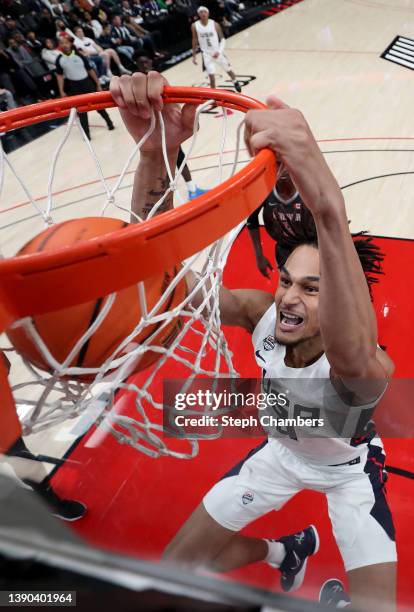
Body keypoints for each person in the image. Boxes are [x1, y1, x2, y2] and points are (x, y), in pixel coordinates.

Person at [109, 71, 397, 612]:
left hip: (347, 472)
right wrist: (156, 157)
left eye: (313, 289)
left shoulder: (367, 366)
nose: (289, 297)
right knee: (174, 571)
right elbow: (164, 287)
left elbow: (350, 349)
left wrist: (329, 208)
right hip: (279, 454)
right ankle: (283, 552)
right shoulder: (261, 311)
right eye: (287, 280)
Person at [136, 54, 208, 200]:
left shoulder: (157, 79)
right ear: (137, 64)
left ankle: (191, 188)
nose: (145, 64)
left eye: (147, 60)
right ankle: (165, 195)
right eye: (142, 62)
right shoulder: (138, 84)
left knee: (178, 158)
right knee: (162, 165)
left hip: (167, 129)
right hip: (153, 130)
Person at [247, 170, 306, 277]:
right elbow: (251, 221)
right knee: (290, 288)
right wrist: (259, 256)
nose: (283, 169)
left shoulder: (308, 188)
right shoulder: (263, 190)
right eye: (278, 164)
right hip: (284, 251)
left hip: (312, 247)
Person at [55, 37, 114, 140]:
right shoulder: (59, 59)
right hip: (74, 87)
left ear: (70, 43)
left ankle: (109, 122)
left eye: (66, 43)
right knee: (81, 112)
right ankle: (87, 135)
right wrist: (61, 91)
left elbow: (90, 70)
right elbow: (59, 76)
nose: (64, 45)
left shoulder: (79, 55)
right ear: (60, 45)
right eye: (62, 43)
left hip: (87, 83)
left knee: (98, 106)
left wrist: (98, 83)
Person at [192, 6, 241, 91]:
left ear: (208, 13)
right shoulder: (195, 26)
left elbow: (222, 39)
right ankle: (214, 96)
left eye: (205, 12)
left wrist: (219, 51)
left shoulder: (214, 24)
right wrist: (194, 55)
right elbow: (194, 39)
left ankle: (235, 81)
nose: (203, 14)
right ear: (198, 14)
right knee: (211, 76)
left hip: (217, 52)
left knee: (228, 69)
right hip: (206, 54)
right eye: (201, 12)